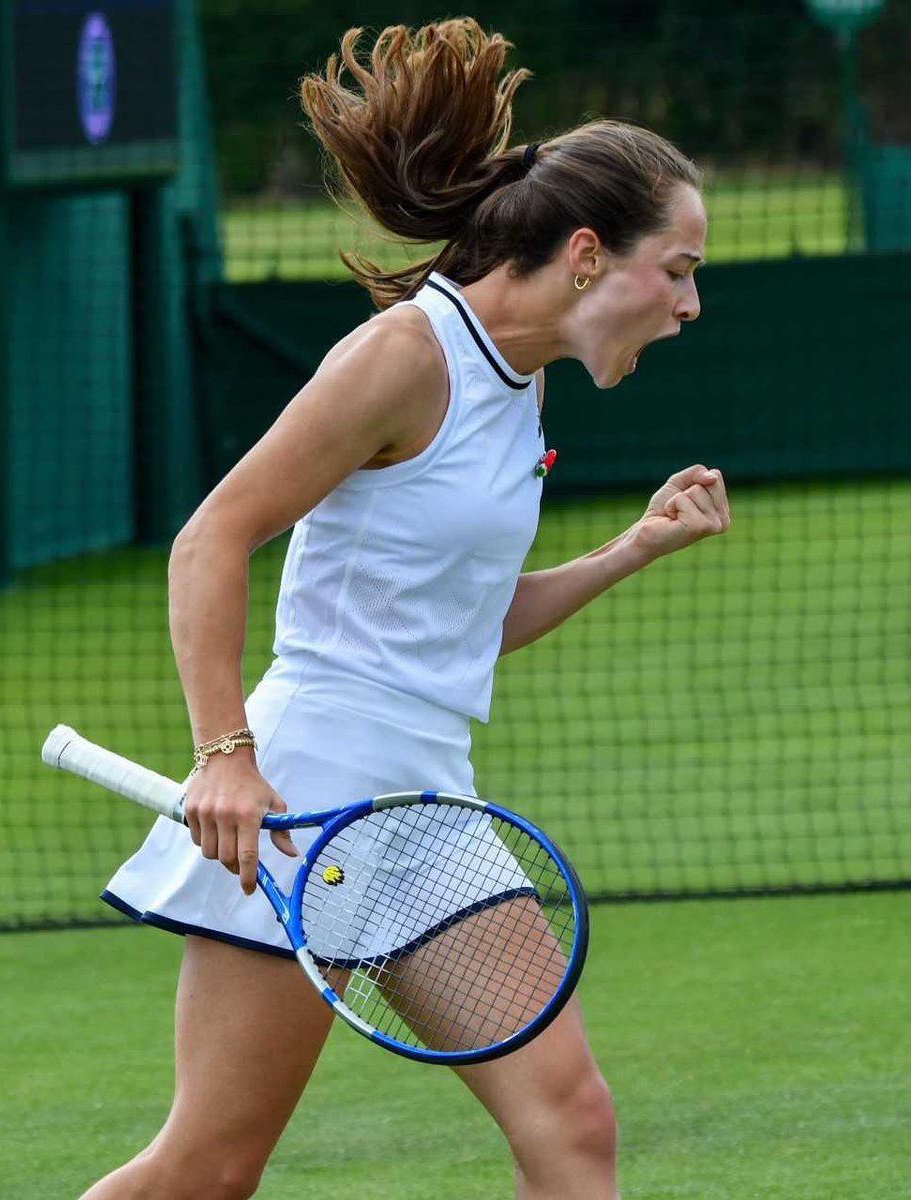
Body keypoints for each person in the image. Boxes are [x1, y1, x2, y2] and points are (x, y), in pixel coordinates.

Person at [89, 17, 730, 1200]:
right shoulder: (402, 356)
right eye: (677, 269)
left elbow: (460, 628)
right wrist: (224, 756)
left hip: (428, 804)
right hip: (305, 807)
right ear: (588, 253)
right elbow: (210, 539)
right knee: (209, 1168)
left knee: (573, 1125)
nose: (687, 304)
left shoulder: (518, 381)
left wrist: (630, 549)